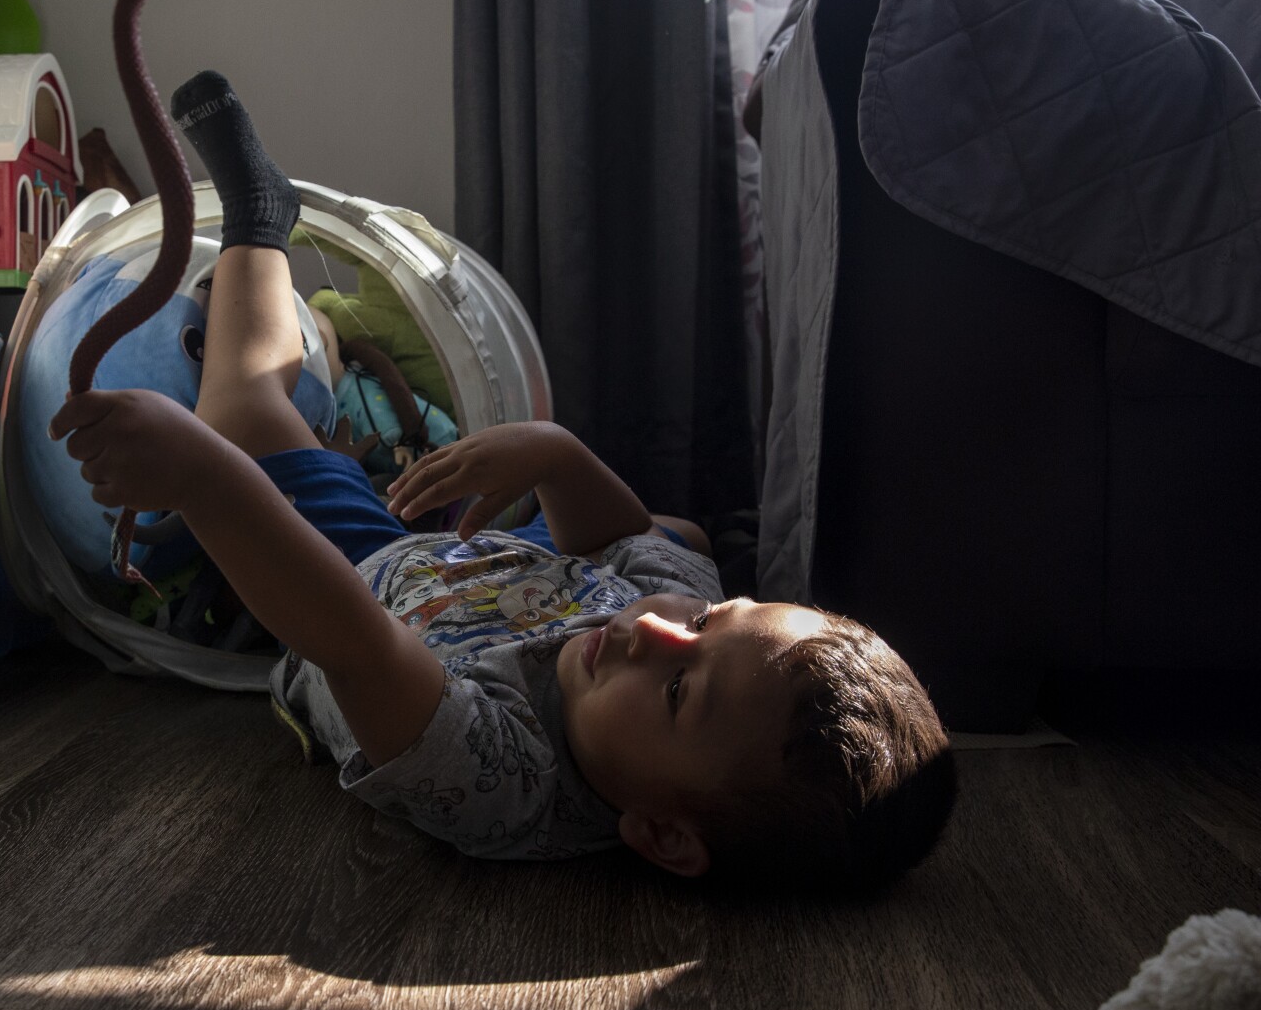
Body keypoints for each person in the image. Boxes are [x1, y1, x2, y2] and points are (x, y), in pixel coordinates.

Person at [50, 72, 955, 892]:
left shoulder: (505, 780)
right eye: (709, 624)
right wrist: (556, 453)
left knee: (237, 418)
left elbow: (357, 642)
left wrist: (204, 477)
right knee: (678, 540)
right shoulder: (646, 627)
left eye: (682, 694)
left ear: (664, 836)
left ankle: (258, 222)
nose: (652, 633)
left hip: (351, 586)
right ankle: (340, 416)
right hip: (468, 564)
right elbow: (636, 544)